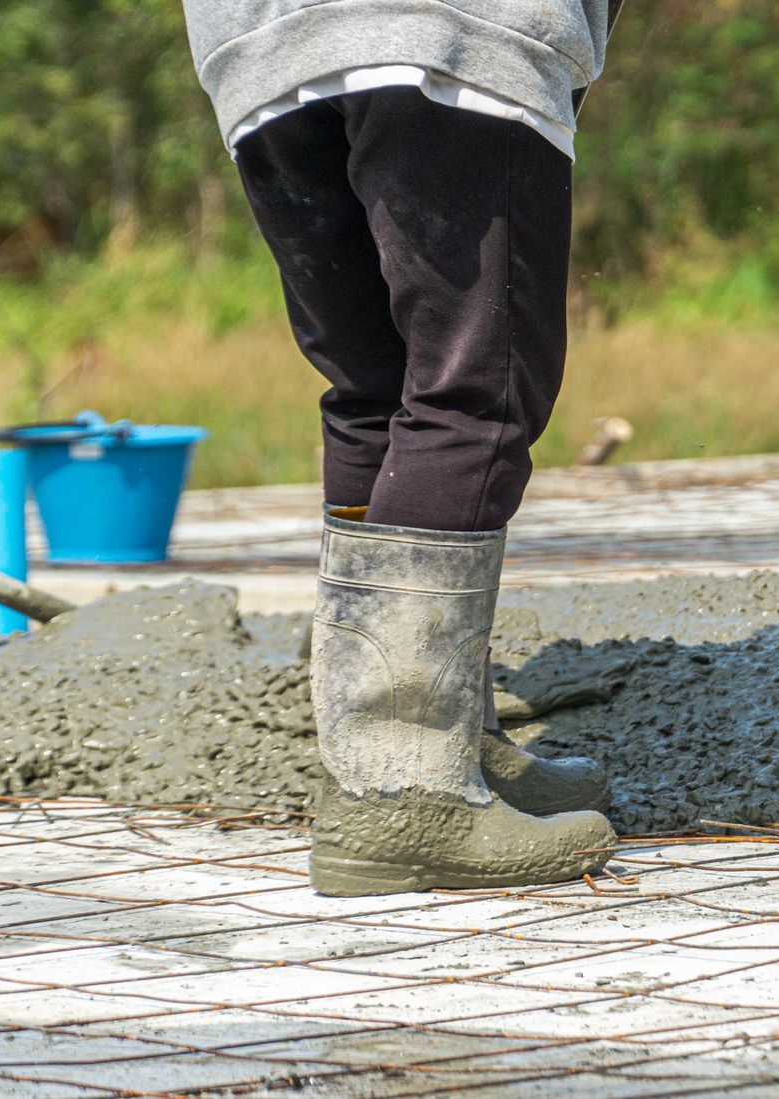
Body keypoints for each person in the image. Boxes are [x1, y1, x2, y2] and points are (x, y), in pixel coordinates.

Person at [183, 0, 624, 895]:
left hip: (262, 45)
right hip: (447, 29)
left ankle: (429, 741)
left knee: (374, 394)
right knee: (474, 393)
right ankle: (407, 791)